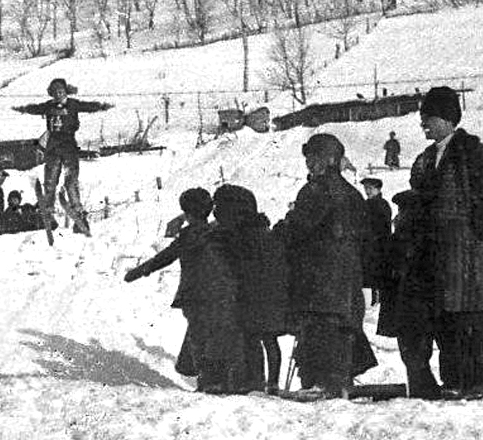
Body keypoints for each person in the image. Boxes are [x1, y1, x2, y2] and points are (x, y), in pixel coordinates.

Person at [408, 86, 483, 400]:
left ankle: (475, 386)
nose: (423, 124)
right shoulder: (427, 158)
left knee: (467, 321)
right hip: (438, 255)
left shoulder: (472, 153)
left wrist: (477, 236)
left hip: (466, 257)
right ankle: (453, 382)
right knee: (445, 320)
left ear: (448, 119)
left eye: (429, 117)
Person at [125, 187, 247, 393]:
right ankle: (221, 380)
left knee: (199, 338)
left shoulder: (188, 236)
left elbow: (163, 258)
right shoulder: (219, 233)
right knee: (217, 335)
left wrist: (138, 272)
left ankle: (207, 381)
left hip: (194, 295)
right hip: (221, 294)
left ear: (187, 213)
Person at [275, 133, 369, 399]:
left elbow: (298, 227)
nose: (309, 163)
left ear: (330, 160)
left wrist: (280, 231)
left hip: (317, 276)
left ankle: (320, 383)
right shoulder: (353, 193)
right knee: (341, 328)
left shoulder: (315, 190)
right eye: (308, 158)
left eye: (314, 158)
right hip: (347, 276)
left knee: (318, 327)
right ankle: (338, 381)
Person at [12, 78, 112, 235]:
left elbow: (87, 106)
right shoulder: (49, 106)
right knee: (50, 181)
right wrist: (23, 109)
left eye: (61, 92)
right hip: (53, 148)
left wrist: (101, 106)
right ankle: (48, 212)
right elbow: (36, 108)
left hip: (69, 147)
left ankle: (78, 214)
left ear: (66, 92)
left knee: (71, 182)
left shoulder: (73, 104)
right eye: (55, 93)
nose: (58, 95)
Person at [212, 185, 286, 394]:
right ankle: (271, 383)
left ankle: (253, 381)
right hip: (271, 295)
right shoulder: (265, 232)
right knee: (268, 339)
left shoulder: (238, 236)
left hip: (251, 296)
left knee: (249, 338)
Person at [376, 190, 442, 399]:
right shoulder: (428, 237)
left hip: (407, 304)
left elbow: (389, 268)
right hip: (420, 304)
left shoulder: (404, 238)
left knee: (412, 350)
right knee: (419, 349)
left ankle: (423, 389)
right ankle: (421, 388)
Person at [360, 177, 391, 305]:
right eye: (366, 188)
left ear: (378, 189)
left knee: (374, 276)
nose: (367, 191)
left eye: (370, 188)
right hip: (370, 246)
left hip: (377, 247)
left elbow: (382, 228)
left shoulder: (380, 205)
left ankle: (375, 302)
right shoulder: (368, 204)